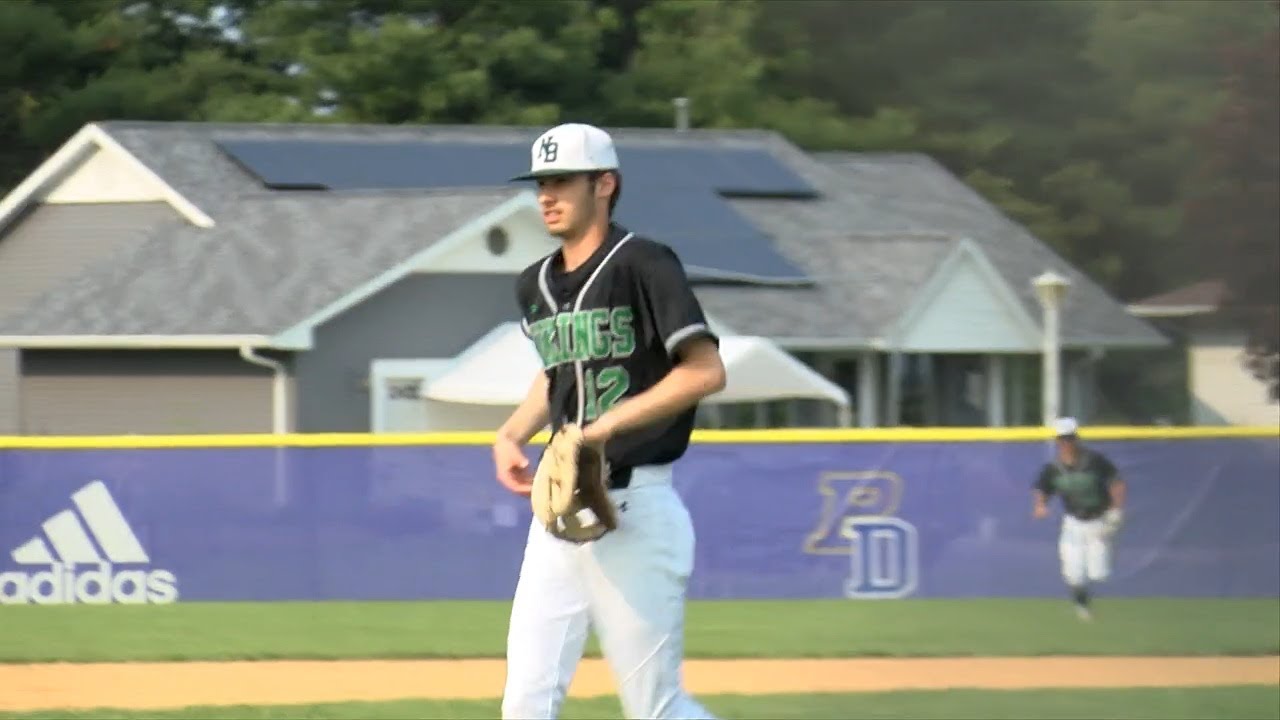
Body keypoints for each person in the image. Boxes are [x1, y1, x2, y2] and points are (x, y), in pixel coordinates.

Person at [491, 122, 725, 720]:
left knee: (654, 707)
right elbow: (560, 373)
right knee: (525, 700)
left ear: (605, 184)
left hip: (636, 507)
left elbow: (703, 370)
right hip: (560, 507)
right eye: (541, 182)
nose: (546, 194)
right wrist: (512, 432)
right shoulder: (534, 284)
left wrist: (600, 430)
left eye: (562, 181)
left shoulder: (644, 262)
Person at [1032, 417, 1127, 621]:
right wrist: (1040, 505)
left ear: (1077, 438)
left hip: (1098, 521)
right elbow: (1042, 487)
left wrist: (1116, 509)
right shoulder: (1054, 468)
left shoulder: (1095, 461)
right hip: (1073, 522)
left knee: (1098, 573)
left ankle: (1112, 609)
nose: (1066, 442)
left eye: (1070, 438)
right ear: (1057, 441)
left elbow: (1116, 483)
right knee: (1072, 571)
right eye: (1062, 438)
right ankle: (1083, 608)